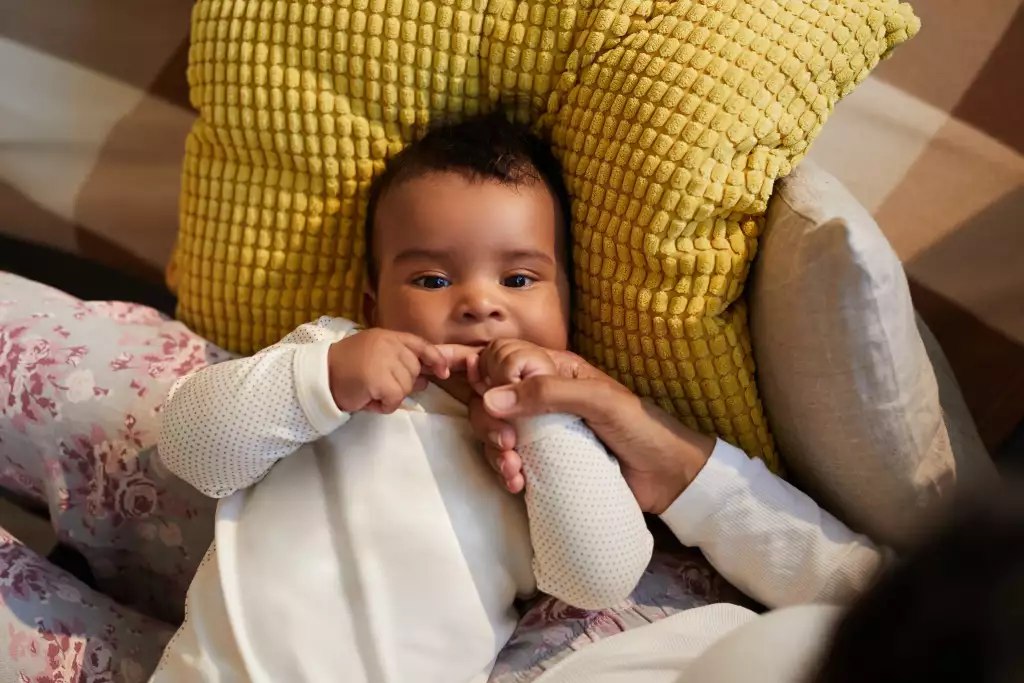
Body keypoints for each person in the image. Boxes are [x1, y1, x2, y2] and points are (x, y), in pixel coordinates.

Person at [152, 113, 886, 683]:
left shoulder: (562, 430)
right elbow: (190, 444)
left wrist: (549, 423)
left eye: (520, 279)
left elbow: (595, 576)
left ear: (567, 302)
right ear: (372, 298)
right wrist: (327, 376)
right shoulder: (329, 354)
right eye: (433, 280)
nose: (479, 304)